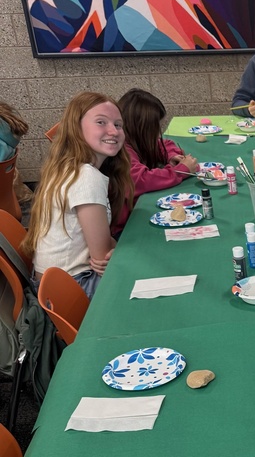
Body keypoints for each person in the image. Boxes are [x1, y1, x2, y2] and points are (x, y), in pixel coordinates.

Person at [21, 92, 133, 299]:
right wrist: (117, 248)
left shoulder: (69, 167)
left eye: (118, 125)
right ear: (77, 128)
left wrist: (115, 247)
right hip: (72, 287)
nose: (113, 131)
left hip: (53, 284)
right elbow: (102, 258)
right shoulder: (86, 177)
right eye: (101, 122)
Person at [111, 89, 197, 235]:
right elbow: (141, 180)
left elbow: (161, 144)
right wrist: (180, 171)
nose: (158, 132)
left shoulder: (134, 139)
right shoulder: (121, 150)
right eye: (155, 127)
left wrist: (171, 155)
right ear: (142, 128)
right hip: (124, 228)